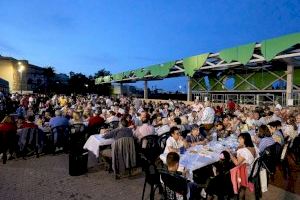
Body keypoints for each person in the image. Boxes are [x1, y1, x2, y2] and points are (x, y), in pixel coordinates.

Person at [228, 132, 259, 199]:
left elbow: (236, 163)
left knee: (229, 169)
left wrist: (229, 153)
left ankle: (233, 191)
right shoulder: (254, 147)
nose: (238, 140)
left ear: (245, 140)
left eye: (240, 139)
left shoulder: (243, 151)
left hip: (246, 172)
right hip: (254, 170)